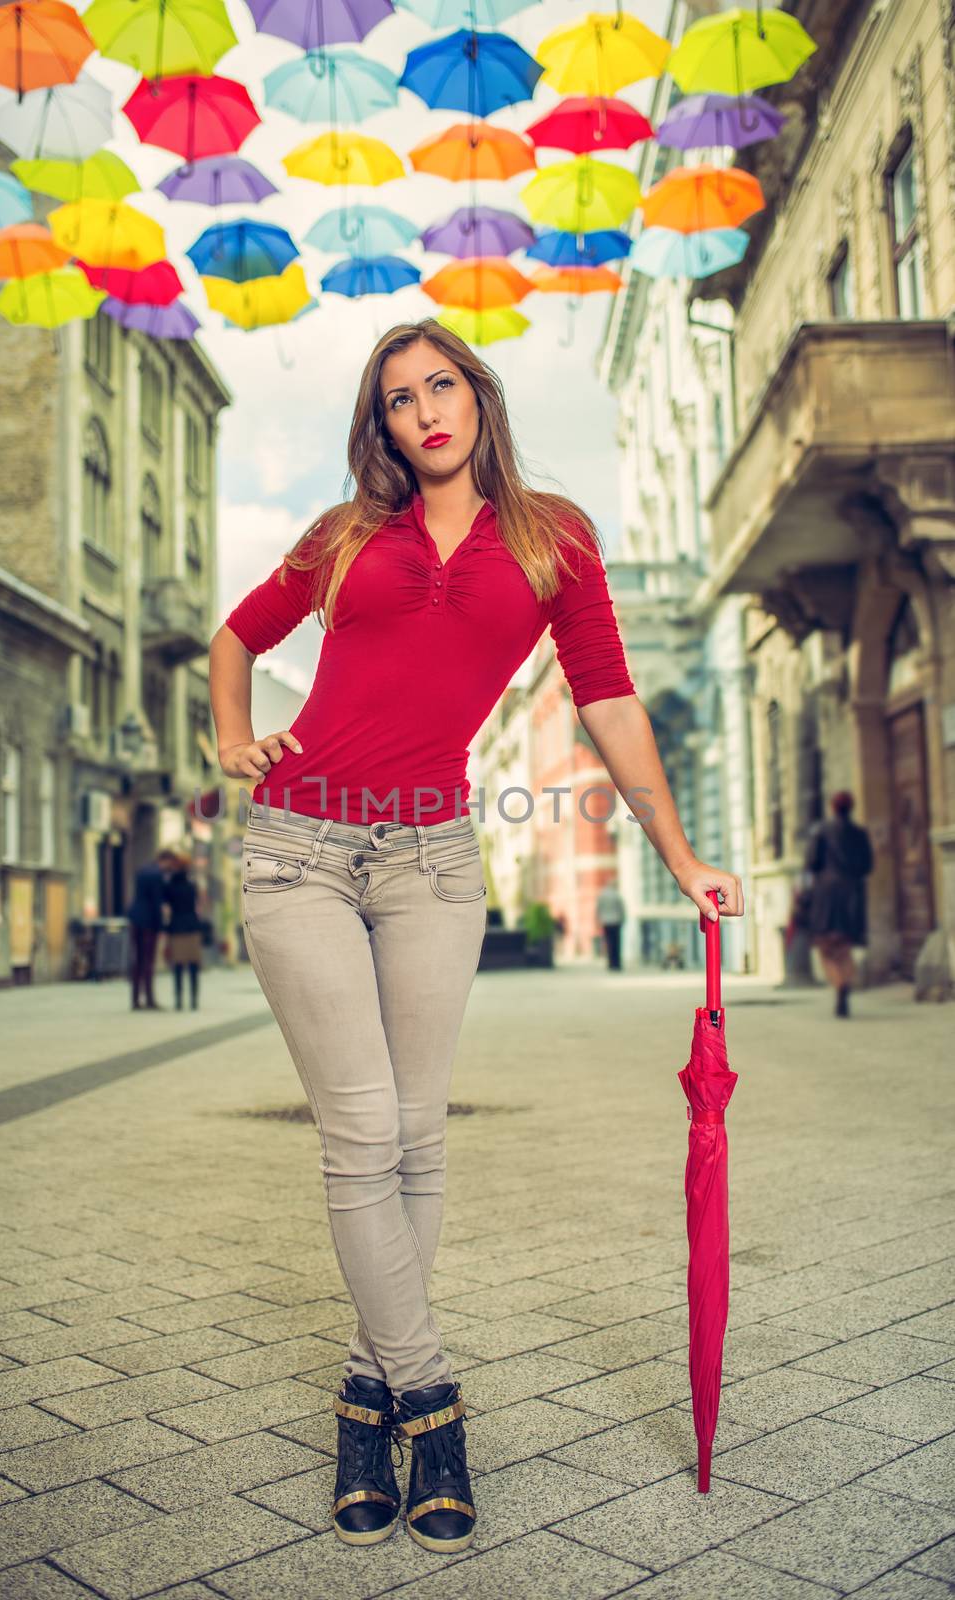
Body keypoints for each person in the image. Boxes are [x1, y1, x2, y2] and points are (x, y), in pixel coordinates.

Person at [208, 318, 744, 1554]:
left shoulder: (554, 538)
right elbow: (238, 636)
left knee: (415, 1134)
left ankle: (364, 1395)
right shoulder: (347, 537)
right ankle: (431, 1406)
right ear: (383, 426)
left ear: (478, 395)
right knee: (359, 1133)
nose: (425, 411)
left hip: (435, 859)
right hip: (299, 848)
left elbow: (607, 698)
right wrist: (229, 740)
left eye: (441, 384)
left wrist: (681, 854)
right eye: (398, 399)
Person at [806, 790, 874, 1017]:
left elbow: (812, 862)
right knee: (844, 946)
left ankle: (839, 985)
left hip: (826, 894)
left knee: (826, 947)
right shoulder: (860, 833)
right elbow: (867, 865)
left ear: (833, 807)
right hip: (852, 893)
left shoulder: (821, 831)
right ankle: (845, 983)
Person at [126, 849, 175, 1010]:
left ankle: (135, 1000)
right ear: (165, 860)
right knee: (148, 961)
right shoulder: (157, 875)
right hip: (149, 923)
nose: (170, 867)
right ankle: (149, 999)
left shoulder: (143, 871)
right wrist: (161, 927)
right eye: (169, 863)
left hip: (135, 919)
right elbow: (156, 902)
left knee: (138, 960)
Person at [164, 851, 204, 1011]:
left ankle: (179, 1000)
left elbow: (166, 908)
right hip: (192, 926)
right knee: (193, 965)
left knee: (178, 966)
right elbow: (197, 905)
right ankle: (194, 1000)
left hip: (176, 927)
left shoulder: (169, 886)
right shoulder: (192, 886)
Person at [596, 882, 626, 970]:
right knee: (617, 944)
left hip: (606, 922)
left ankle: (610, 964)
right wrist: (623, 919)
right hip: (616, 921)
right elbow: (621, 908)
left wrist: (599, 920)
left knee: (609, 943)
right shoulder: (616, 895)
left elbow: (599, 908)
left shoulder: (602, 895)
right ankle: (617, 964)